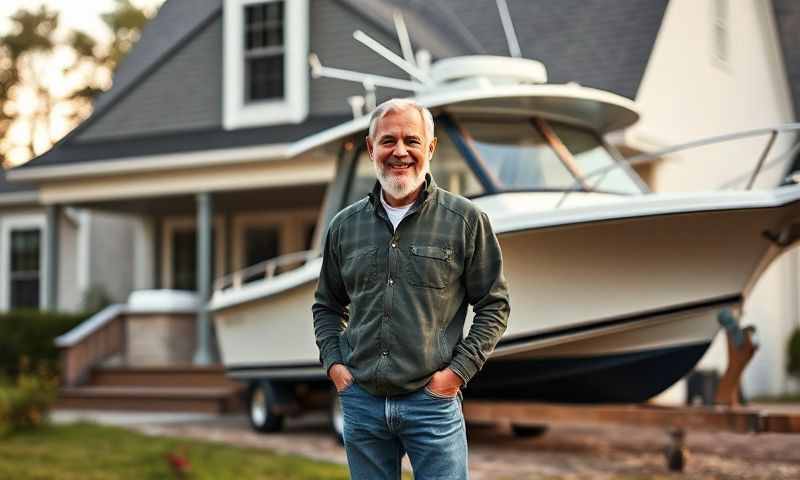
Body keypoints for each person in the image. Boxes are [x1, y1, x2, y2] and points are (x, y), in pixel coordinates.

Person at [312, 98, 510, 479]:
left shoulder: (466, 221)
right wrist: (336, 367)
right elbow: (327, 305)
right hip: (362, 403)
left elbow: (494, 305)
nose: (399, 151)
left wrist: (454, 376)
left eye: (412, 141)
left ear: (430, 149)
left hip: (432, 404)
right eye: (388, 141)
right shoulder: (343, 227)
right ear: (371, 149)